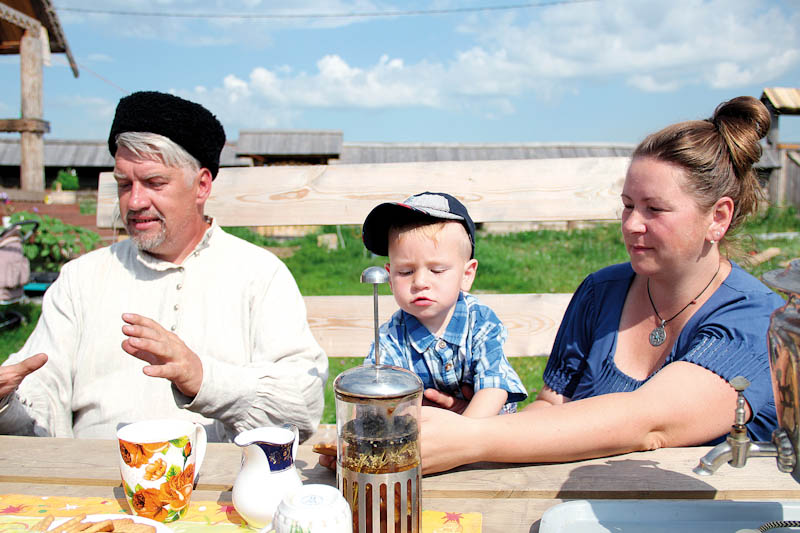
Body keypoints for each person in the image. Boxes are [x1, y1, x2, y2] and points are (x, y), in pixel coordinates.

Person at [418, 95, 785, 474]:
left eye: (654, 209)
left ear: (718, 218)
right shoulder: (601, 291)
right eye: (628, 205)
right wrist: (479, 426)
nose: (631, 225)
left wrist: (471, 439)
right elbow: (553, 406)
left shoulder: (757, 321)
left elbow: (648, 423)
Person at [0, 91, 327, 442]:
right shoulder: (82, 279)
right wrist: (5, 405)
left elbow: (302, 405)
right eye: (124, 184)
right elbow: (38, 402)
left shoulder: (259, 275)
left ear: (201, 185)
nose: (135, 201)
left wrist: (204, 379)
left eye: (154, 183)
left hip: (219, 489)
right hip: (92, 486)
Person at [361, 192, 527, 417]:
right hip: (422, 433)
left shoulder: (480, 322)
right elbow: (373, 397)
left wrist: (462, 435)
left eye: (437, 270)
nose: (420, 282)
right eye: (405, 272)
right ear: (390, 277)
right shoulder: (391, 338)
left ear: (466, 274)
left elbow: (494, 386)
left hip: (487, 431)